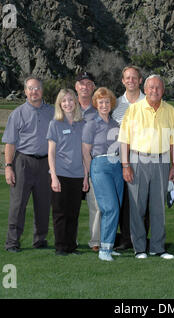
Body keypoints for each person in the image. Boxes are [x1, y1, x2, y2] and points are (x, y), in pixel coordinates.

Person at [118, 74, 174, 260]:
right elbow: (124, 140)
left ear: (163, 90)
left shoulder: (170, 110)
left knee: (158, 206)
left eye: (158, 87)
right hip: (138, 161)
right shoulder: (134, 109)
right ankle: (140, 248)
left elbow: (173, 142)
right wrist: (125, 165)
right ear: (145, 90)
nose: (154, 91)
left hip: (161, 161)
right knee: (137, 207)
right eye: (151, 87)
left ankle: (158, 248)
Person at [2, 76, 54, 252]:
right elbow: (10, 143)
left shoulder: (53, 112)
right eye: (30, 88)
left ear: (42, 90)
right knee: (18, 205)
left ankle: (40, 240)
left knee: (43, 204)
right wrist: (8, 167)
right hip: (23, 162)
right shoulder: (17, 113)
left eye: (37, 88)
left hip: (46, 163)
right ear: (25, 91)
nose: (34, 91)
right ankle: (12, 242)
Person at [83, 87, 124, 261]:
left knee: (117, 207)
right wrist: (88, 174)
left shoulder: (116, 125)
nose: (104, 105)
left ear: (112, 103)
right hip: (99, 165)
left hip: (117, 166)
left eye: (107, 101)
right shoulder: (91, 124)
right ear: (96, 104)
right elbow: (85, 152)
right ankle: (103, 250)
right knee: (110, 207)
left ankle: (109, 245)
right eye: (101, 102)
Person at [111, 65, 149, 251]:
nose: (131, 81)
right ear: (123, 81)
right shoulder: (116, 104)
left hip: (144, 158)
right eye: (127, 78)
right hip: (121, 159)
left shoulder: (149, 102)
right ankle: (126, 238)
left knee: (144, 201)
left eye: (134, 77)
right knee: (125, 201)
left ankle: (142, 238)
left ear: (140, 80)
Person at [47, 89, 88, 256]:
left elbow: (86, 153)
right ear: (59, 104)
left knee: (73, 213)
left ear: (75, 103)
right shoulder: (55, 124)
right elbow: (51, 152)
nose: (67, 104)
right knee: (60, 213)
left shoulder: (82, 124)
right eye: (64, 101)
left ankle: (71, 246)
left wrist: (86, 176)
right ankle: (61, 247)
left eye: (70, 100)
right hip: (61, 175)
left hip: (78, 175)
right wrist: (54, 177)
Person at [74, 71, 101, 252]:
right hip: (69, 166)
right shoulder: (67, 107)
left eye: (89, 83)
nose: (85, 86)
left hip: (92, 164)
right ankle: (70, 240)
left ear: (93, 87)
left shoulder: (99, 110)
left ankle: (95, 241)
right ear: (76, 87)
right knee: (71, 207)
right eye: (81, 83)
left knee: (96, 205)